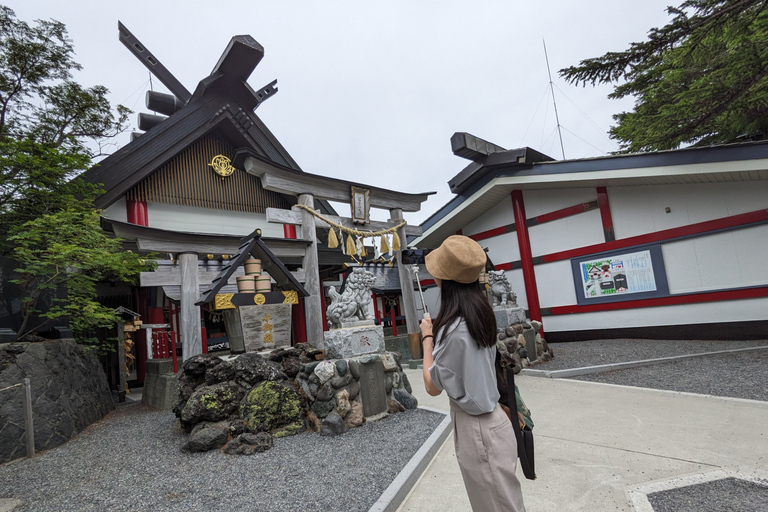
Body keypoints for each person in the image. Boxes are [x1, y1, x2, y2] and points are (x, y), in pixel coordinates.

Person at [419, 235, 526, 512]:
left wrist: (427, 338)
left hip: (478, 430)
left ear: (445, 280)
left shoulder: (453, 331)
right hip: (495, 422)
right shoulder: (481, 313)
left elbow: (432, 386)